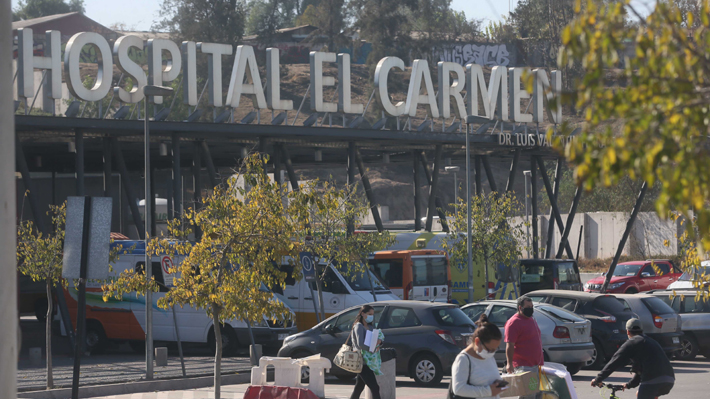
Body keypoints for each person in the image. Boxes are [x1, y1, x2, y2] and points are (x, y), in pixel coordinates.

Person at [591, 318, 675, 399]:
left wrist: (598, 379)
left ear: (627, 331)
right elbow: (641, 370)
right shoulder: (651, 341)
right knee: (642, 394)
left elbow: (614, 362)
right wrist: (628, 385)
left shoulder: (631, 343)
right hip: (669, 379)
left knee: (645, 393)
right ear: (642, 330)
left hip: (652, 381)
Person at [451, 314, 506, 399]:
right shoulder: (463, 359)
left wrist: (499, 384)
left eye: (495, 349)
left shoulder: (489, 356)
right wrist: (488, 391)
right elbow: (458, 389)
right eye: (490, 349)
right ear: (477, 341)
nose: (492, 353)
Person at [504, 296, 543, 399]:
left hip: (536, 365)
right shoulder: (514, 322)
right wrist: (509, 364)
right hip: (524, 366)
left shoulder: (531, 319)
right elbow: (509, 345)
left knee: (537, 395)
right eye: (528, 307)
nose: (531, 309)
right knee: (528, 395)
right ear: (520, 308)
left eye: (532, 306)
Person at [350, 305, 384, 399]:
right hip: (361, 361)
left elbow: (376, 338)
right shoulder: (358, 326)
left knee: (359, 387)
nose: (371, 316)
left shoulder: (370, 326)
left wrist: (379, 342)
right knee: (375, 388)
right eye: (369, 314)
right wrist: (372, 349)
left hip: (368, 361)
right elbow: (360, 344)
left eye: (372, 314)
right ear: (362, 314)